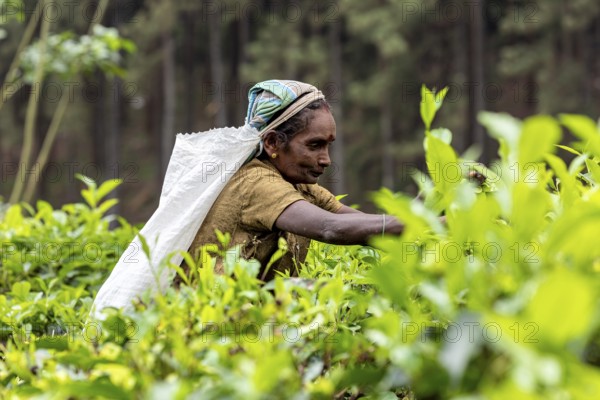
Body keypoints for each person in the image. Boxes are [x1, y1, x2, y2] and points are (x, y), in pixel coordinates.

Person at [179, 79, 403, 282]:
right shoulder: (255, 182)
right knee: (322, 290)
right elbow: (330, 227)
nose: (326, 160)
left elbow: (361, 225)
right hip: (206, 315)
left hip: (251, 312)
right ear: (273, 143)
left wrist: (423, 221)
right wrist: (415, 225)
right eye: (314, 146)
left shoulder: (299, 185)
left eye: (328, 145)